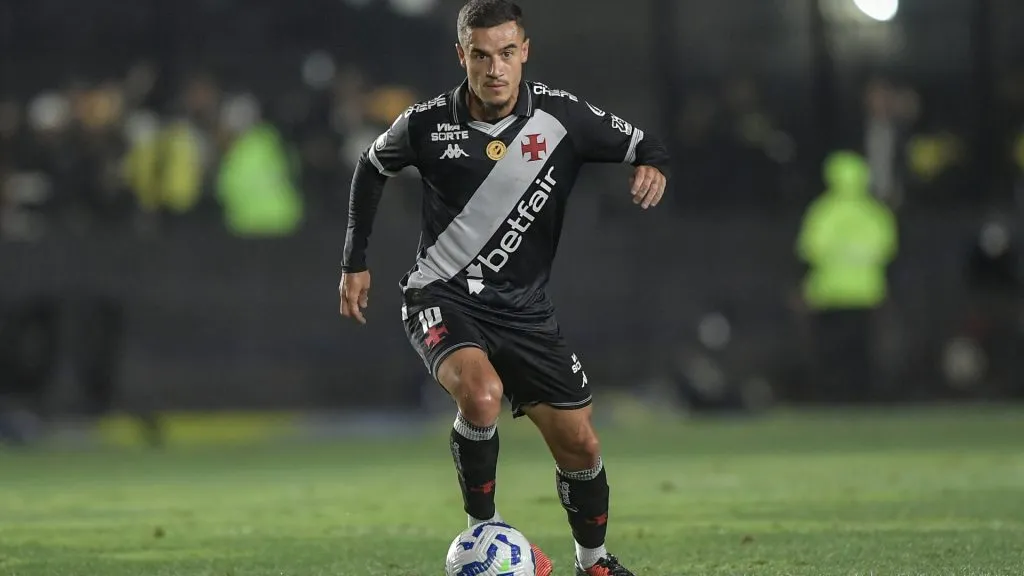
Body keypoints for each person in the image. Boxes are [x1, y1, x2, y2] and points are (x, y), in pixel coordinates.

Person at [338, 1, 670, 574]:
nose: (495, 68)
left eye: (507, 54)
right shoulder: (426, 123)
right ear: (461, 55)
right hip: (441, 293)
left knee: (582, 445)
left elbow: (648, 145)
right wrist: (354, 261)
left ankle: (593, 562)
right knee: (482, 394)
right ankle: (481, 535)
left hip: (524, 309)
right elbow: (371, 166)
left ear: (525, 53)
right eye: (481, 55)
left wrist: (652, 167)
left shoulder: (563, 117)